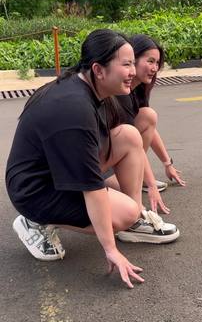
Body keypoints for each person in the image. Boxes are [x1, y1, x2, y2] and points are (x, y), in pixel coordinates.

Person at [5, 29, 179, 289]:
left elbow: (121, 143)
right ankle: (35, 221)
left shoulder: (92, 89)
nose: (133, 71)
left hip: (57, 171)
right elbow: (92, 188)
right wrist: (110, 249)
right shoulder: (74, 108)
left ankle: (131, 222)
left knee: (129, 135)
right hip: (35, 190)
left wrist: (156, 177)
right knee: (125, 212)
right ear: (99, 70)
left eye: (133, 63)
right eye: (126, 64)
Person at [106, 34, 186, 214]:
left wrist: (167, 163)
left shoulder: (136, 90)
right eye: (150, 61)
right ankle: (136, 214)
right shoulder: (120, 93)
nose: (154, 68)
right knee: (125, 202)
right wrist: (150, 185)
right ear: (133, 59)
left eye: (157, 63)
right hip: (100, 161)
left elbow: (150, 128)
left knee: (148, 115)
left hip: (112, 152)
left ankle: (134, 179)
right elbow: (132, 141)